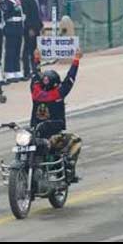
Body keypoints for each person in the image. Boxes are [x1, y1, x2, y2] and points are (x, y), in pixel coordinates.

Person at [31, 47, 84, 183]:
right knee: (76, 141)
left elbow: (35, 75)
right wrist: (76, 60)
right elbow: (70, 79)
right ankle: (69, 169)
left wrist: (36, 59)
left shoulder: (35, 92)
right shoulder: (59, 94)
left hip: (34, 134)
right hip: (53, 136)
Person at [2, 0, 25, 82]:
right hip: (11, 26)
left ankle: (17, 71)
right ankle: (9, 72)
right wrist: (13, 9)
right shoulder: (6, 0)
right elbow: (5, 15)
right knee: (10, 50)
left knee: (17, 50)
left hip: (18, 26)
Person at [21, 0, 43, 78]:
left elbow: (36, 13)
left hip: (36, 26)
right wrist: (29, 28)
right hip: (30, 28)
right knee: (28, 49)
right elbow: (26, 14)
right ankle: (27, 70)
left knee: (35, 49)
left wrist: (40, 25)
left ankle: (36, 68)